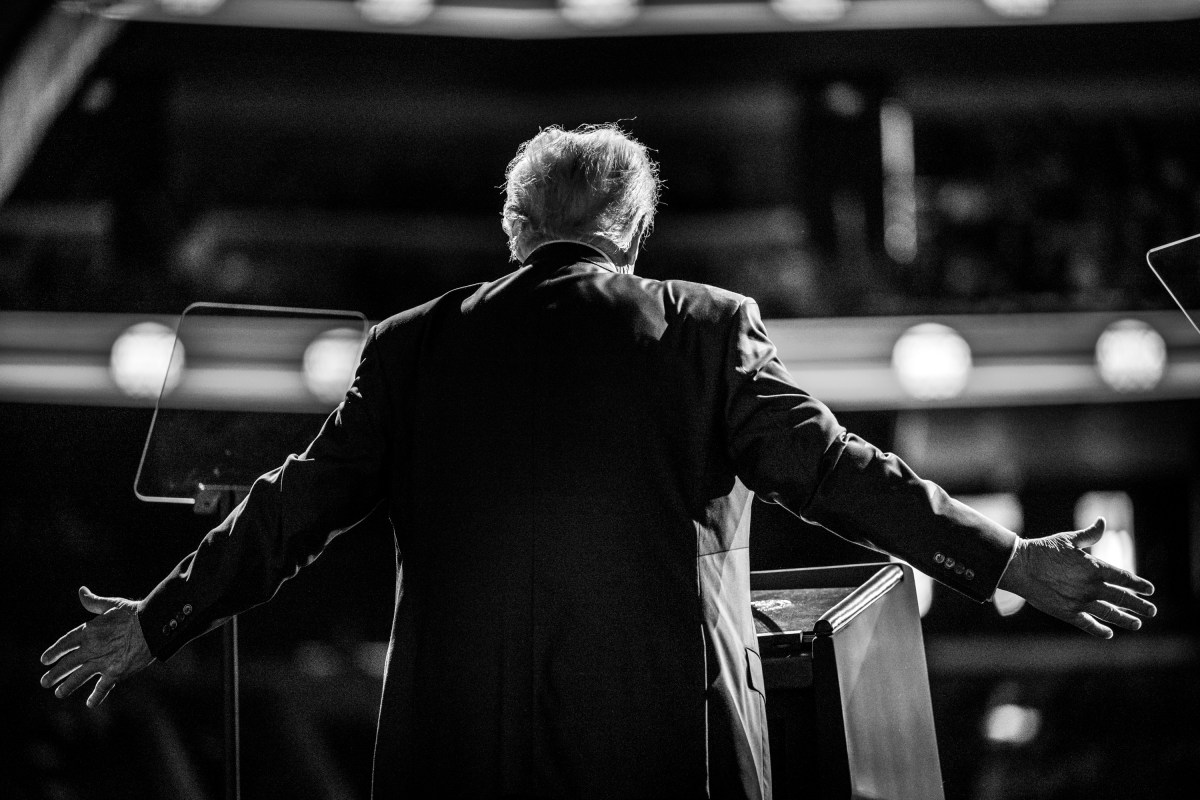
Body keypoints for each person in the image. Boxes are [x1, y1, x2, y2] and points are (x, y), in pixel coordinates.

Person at [41, 124, 1156, 800]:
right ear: (633, 226)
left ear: (515, 225)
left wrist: (158, 617)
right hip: (669, 758)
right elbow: (840, 471)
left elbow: (288, 512)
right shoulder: (705, 327)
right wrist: (1008, 560)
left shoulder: (411, 345)